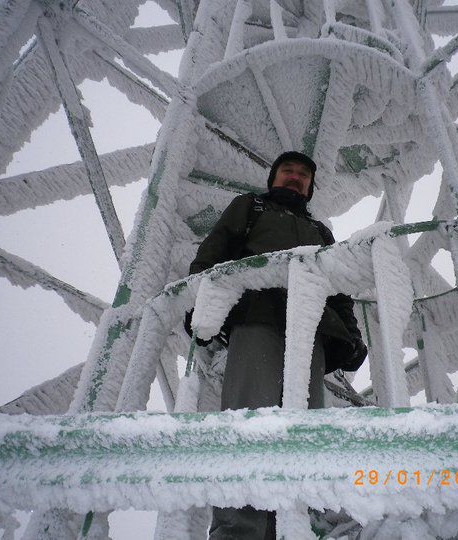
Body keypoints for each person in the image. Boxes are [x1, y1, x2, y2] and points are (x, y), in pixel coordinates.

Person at [186, 151, 367, 539]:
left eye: (304, 174)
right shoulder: (249, 208)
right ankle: (239, 530)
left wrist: (351, 334)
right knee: (249, 420)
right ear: (273, 177)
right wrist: (199, 305)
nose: (296, 178)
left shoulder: (319, 231)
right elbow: (214, 251)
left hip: (311, 329)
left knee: (309, 427)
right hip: (257, 317)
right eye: (288, 171)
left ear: (310, 185)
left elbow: (337, 289)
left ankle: (306, 524)